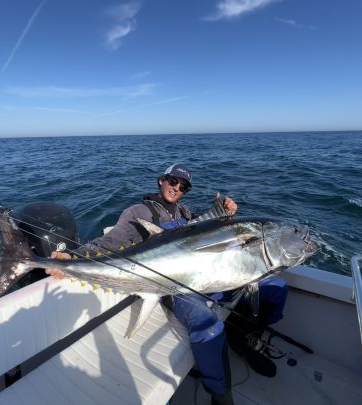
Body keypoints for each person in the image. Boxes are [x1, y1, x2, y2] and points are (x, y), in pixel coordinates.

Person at [47, 164, 287, 405]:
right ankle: (221, 396)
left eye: (183, 186)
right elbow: (110, 242)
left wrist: (227, 218)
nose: (177, 188)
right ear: (161, 180)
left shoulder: (184, 212)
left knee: (275, 288)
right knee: (208, 326)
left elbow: (205, 237)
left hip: (205, 276)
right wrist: (73, 256)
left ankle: (243, 338)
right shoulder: (139, 211)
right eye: (173, 181)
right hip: (172, 286)